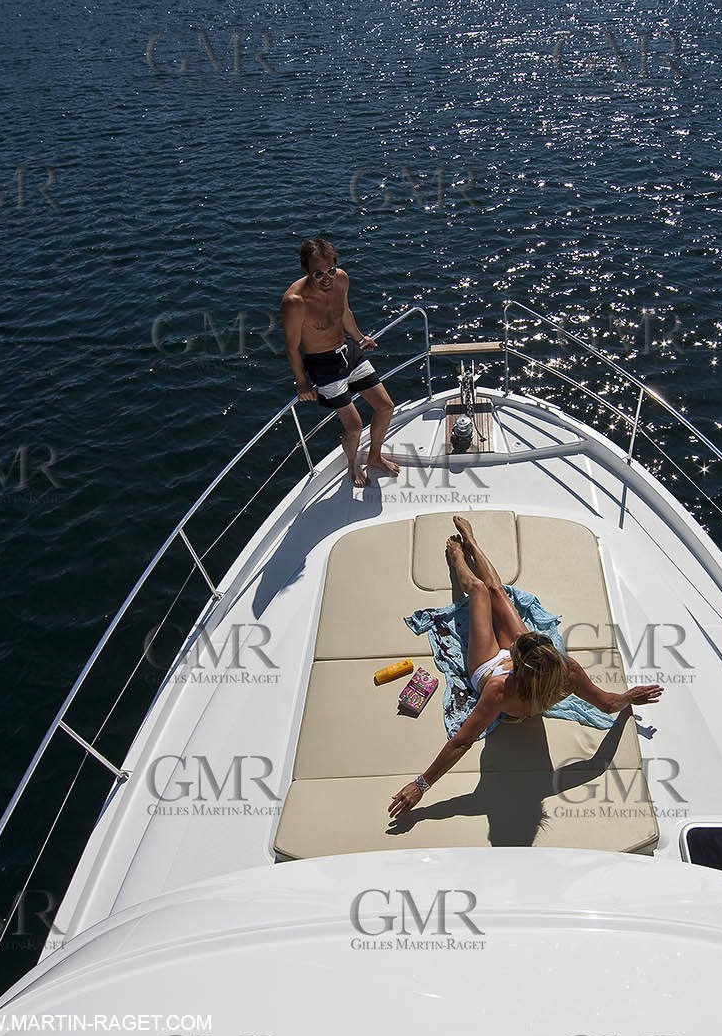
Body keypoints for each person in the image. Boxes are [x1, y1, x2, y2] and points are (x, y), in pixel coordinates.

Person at [388, 516, 664, 819]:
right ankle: (471, 541)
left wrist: (421, 785)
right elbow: (608, 704)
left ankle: (457, 557)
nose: (519, 639)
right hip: (529, 672)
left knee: (480, 591)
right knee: (498, 590)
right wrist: (628, 697)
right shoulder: (567, 671)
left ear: (517, 666)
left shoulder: (497, 691)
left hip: (487, 667)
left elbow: (462, 741)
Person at [281, 238, 400, 488]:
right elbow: (292, 347)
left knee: (386, 406)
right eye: (318, 273)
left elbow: (344, 312)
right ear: (306, 270)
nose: (327, 278)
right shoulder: (295, 301)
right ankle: (352, 464)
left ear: (336, 265)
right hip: (323, 365)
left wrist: (359, 338)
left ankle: (375, 456)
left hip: (349, 352)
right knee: (355, 425)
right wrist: (302, 383)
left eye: (331, 270)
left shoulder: (341, 280)